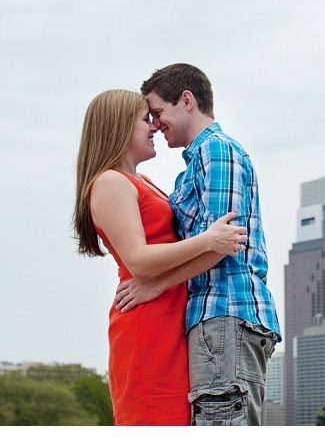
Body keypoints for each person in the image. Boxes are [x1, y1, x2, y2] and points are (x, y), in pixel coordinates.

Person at [113, 63, 281, 426]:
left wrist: (154, 283)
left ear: (186, 100)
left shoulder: (217, 151)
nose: (155, 124)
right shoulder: (192, 166)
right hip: (216, 323)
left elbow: (220, 244)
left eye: (158, 112)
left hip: (224, 313)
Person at [72, 89, 247, 426]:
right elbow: (138, 259)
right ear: (118, 127)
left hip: (170, 317)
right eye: (144, 120)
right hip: (146, 324)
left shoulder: (144, 181)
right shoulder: (110, 182)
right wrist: (208, 240)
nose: (153, 127)